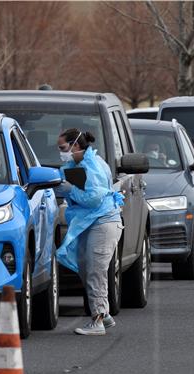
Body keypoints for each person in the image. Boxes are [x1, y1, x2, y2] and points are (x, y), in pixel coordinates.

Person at [55, 128, 125, 335]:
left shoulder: (93, 166)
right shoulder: (74, 165)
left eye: (63, 148)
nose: (61, 152)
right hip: (89, 222)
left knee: (96, 270)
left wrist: (70, 190)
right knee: (86, 269)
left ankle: (97, 320)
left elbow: (94, 198)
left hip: (103, 221)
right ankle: (104, 313)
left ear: (75, 145)